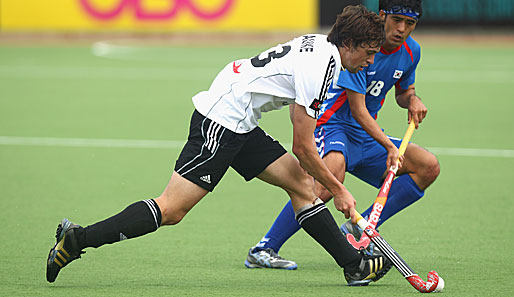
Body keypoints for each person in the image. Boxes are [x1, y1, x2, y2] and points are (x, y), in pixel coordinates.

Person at [46, 5, 390, 287]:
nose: (370, 62)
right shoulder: (323, 66)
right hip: (222, 120)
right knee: (171, 210)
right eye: (368, 53)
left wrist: (328, 185)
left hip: (238, 116)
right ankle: (78, 239)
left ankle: (354, 266)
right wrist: (338, 189)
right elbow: (302, 145)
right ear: (348, 43)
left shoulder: (323, 47)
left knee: (301, 184)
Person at [245, 0, 439, 272]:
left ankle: (361, 228)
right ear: (382, 16)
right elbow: (358, 110)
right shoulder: (364, 48)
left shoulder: (411, 51)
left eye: (410, 24)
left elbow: (403, 93)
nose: (402, 29)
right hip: (334, 126)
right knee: (328, 180)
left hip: (368, 137)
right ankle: (264, 247)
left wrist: (413, 100)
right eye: (396, 20)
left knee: (428, 166)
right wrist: (389, 147)